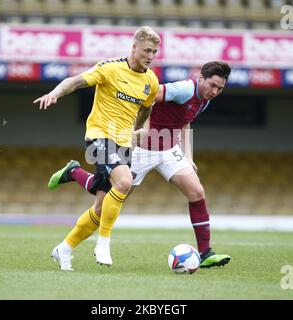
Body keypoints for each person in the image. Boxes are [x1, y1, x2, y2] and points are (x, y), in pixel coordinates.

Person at [49, 61, 232, 268]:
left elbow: (184, 120)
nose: (215, 91)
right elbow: (148, 97)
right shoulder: (184, 89)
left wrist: (188, 155)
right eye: (213, 85)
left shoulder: (205, 98)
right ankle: (74, 172)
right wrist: (139, 130)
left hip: (169, 150)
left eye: (220, 88)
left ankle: (205, 252)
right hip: (141, 150)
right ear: (201, 78)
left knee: (197, 192)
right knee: (103, 204)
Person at [34, 26, 161, 271]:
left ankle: (64, 248)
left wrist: (137, 129)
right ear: (134, 47)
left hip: (123, 142)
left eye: (154, 52)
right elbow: (75, 81)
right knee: (124, 182)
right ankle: (103, 243)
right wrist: (54, 93)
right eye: (147, 50)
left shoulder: (151, 81)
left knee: (102, 208)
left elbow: (146, 108)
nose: (150, 55)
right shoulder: (110, 68)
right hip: (99, 136)